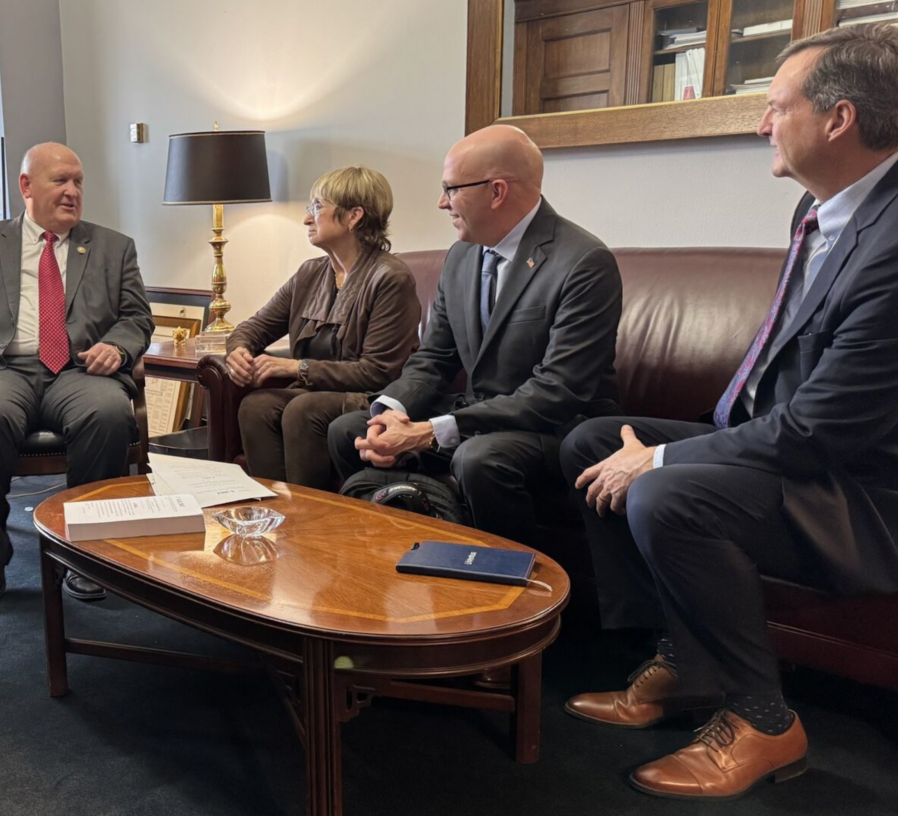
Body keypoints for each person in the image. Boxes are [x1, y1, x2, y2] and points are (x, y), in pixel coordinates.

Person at [559, 23, 898, 800]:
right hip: (795, 454)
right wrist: (665, 448)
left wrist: (668, 458)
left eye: (776, 107)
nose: (761, 123)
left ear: (839, 119)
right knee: (589, 442)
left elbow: (825, 431)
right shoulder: (822, 213)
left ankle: (765, 723)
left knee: (665, 488)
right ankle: (687, 663)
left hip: (862, 493)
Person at [328, 125, 621, 545]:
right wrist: (390, 411)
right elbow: (434, 359)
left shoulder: (583, 262)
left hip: (556, 429)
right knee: (351, 429)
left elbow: (558, 391)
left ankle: (509, 592)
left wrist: (432, 430)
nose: (441, 202)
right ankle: (389, 566)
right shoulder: (462, 255)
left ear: (496, 191)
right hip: (477, 419)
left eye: (451, 189)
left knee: (480, 458)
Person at [0, 142, 154, 607]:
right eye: (60, 180)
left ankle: (86, 555)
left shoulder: (113, 247)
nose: (72, 191)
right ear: (26, 186)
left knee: (107, 413)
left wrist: (118, 345)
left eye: (78, 182)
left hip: (77, 369)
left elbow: (137, 317)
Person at [224, 166, 420, 490]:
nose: (306, 219)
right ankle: (272, 514)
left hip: (373, 396)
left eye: (317, 207)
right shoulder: (310, 273)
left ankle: (311, 521)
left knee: (303, 408)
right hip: (319, 391)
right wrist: (239, 351)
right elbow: (253, 327)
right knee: (256, 405)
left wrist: (296, 367)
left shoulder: (390, 278)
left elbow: (378, 372)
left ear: (354, 216)